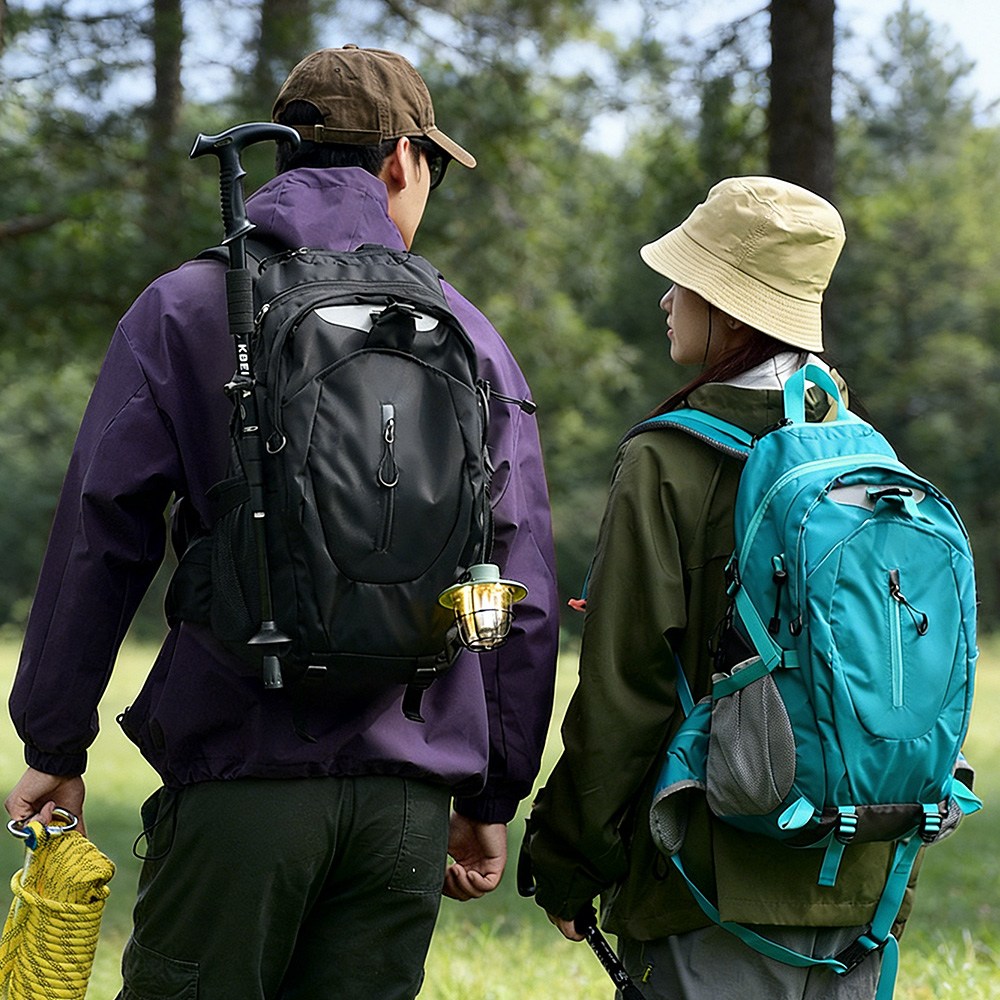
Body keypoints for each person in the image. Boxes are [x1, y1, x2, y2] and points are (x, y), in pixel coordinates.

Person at [5, 46, 559, 1000]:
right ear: (401, 160)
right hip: (405, 801)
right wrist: (490, 790)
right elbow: (520, 583)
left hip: (238, 777)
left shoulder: (186, 306)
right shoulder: (469, 334)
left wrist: (55, 744)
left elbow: (102, 534)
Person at [523, 176, 914, 999]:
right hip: (860, 880)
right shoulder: (871, 457)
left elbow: (625, 691)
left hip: (705, 883)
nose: (667, 299)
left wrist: (567, 858)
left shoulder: (668, 460)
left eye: (687, 280)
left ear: (733, 309)